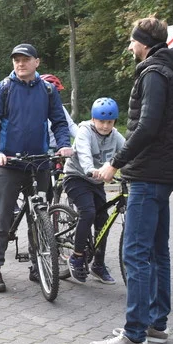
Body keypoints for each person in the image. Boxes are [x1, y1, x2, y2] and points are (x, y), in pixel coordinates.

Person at [88, 15, 173, 344]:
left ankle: (133, 336)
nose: (130, 46)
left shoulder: (153, 73)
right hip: (165, 172)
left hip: (148, 175)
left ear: (143, 42)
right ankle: (155, 324)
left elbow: (146, 126)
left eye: (132, 40)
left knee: (135, 253)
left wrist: (114, 163)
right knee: (157, 251)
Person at [0, 44, 73, 293]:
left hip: (40, 162)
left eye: (25, 59)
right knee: (1, 217)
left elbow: (59, 122)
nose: (20, 64)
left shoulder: (48, 90)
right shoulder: (3, 88)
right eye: (16, 60)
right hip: (9, 162)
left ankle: (38, 265)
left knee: (39, 217)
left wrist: (64, 145)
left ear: (37, 62)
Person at [62, 97, 126, 285]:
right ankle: (77, 256)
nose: (106, 126)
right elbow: (83, 153)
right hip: (77, 177)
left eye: (110, 122)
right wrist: (91, 169)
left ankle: (98, 264)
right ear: (93, 119)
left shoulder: (115, 135)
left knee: (103, 219)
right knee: (88, 212)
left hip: (96, 182)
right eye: (101, 121)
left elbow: (127, 152)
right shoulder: (85, 132)